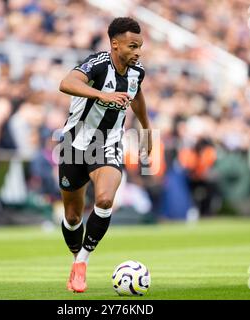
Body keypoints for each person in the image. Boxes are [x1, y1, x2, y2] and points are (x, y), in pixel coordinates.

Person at [58, 17, 152, 293]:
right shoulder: (98, 63)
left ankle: (83, 262)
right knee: (73, 216)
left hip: (107, 144)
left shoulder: (137, 72)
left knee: (104, 198)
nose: (137, 52)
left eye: (140, 46)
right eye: (132, 46)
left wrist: (146, 128)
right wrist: (102, 95)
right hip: (73, 145)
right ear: (115, 44)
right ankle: (77, 258)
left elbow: (138, 98)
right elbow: (66, 82)